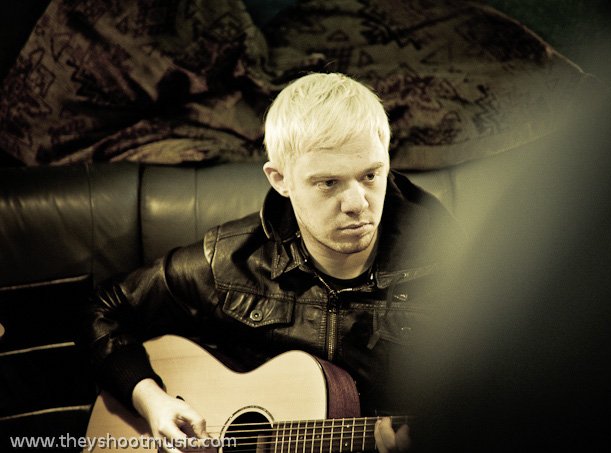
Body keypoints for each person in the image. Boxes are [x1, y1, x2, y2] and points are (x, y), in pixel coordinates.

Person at [79, 72, 452, 452]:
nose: (357, 203)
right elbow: (103, 309)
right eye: (328, 183)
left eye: (371, 175)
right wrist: (151, 400)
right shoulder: (230, 261)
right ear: (280, 179)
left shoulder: (455, 269)